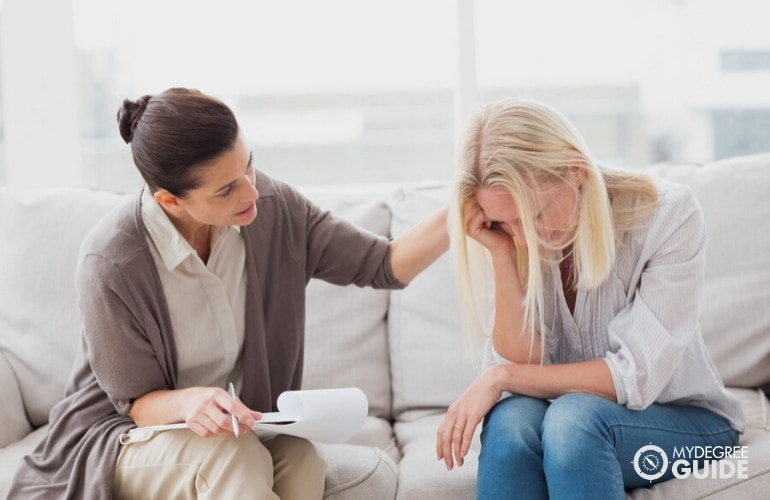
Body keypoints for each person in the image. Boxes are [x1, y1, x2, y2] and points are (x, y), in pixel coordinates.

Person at [9, 87, 449, 499]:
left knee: (299, 458)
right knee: (231, 457)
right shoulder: (112, 262)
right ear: (170, 201)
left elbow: (383, 264)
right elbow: (136, 406)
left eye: (249, 166)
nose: (253, 191)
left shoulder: (273, 211)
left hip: (232, 433)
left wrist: (466, 207)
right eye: (226, 188)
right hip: (120, 437)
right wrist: (194, 401)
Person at [436, 98, 744, 498]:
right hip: (569, 418)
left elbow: (634, 376)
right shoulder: (516, 241)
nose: (524, 237)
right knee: (510, 427)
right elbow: (520, 362)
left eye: (536, 215)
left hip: (689, 424)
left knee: (572, 424)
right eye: (505, 223)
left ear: (576, 169)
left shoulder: (669, 215)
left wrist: (499, 376)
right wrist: (501, 255)